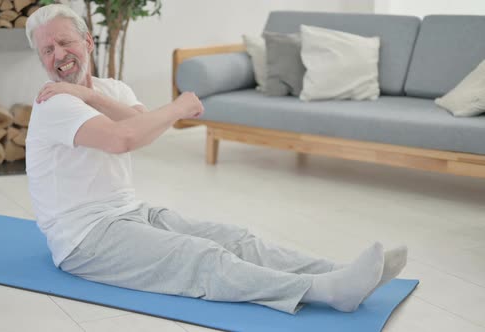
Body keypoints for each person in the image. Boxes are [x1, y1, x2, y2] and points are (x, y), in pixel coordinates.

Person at [24, 4, 407, 315]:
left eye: (64, 42)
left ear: (88, 42)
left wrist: (95, 97)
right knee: (200, 257)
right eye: (47, 50)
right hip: (85, 239)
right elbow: (125, 138)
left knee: (236, 239)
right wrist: (176, 105)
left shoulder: (111, 89)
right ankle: (325, 290)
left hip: (130, 212)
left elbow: (144, 128)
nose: (58, 55)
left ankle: (341, 272)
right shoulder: (54, 102)